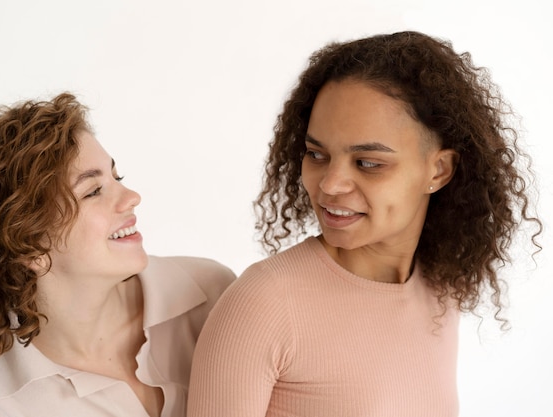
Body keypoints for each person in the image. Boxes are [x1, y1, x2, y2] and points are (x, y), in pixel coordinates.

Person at [187, 31, 542, 417]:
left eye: (368, 163)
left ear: (438, 171)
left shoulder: (440, 288)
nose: (329, 184)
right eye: (316, 154)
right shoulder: (266, 303)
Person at [0, 93, 236, 417]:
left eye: (117, 177)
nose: (132, 197)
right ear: (28, 246)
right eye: (93, 191)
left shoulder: (211, 293)